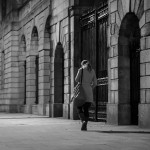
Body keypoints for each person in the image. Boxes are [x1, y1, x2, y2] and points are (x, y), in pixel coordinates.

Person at [75, 60, 97, 131]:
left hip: (81, 91)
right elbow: (95, 83)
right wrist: (91, 87)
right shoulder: (92, 71)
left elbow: (76, 79)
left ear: (82, 64)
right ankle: (85, 124)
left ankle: (83, 120)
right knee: (86, 109)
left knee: (79, 107)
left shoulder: (81, 70)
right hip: (89, 91)